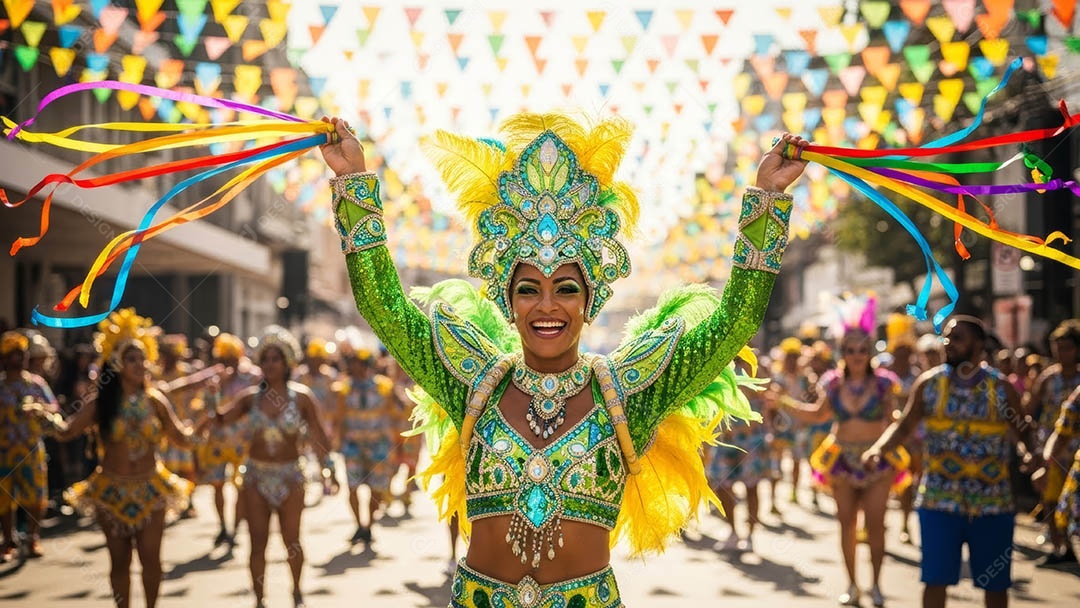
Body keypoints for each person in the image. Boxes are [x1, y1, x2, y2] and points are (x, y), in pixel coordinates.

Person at [320, 113, 807, 606]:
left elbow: (735, 322)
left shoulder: (628, 392)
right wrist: (352, 183)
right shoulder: (473, 382)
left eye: (566, 289)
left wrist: (768, 199)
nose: (547, 306)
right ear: (509, 302)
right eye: (529, 289)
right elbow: (384, 307)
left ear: (589, 302)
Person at [863, 316, 1039, 608]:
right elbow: (904, 425)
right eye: (946, 337)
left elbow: (1024, 431)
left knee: (994, 584)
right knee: (935, 580)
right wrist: (878, 449)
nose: (948, 344)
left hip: (992, 504)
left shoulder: (1001, 387)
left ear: (979, 345)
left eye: (957, 338)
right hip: (937, 503)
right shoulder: (929, 384)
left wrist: (1034, 458)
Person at [40, 310, 197, 608]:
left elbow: (182, 438)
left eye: (142, 358)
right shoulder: (101, 403)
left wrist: (207, 422)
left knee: (151, 559)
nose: (140, 365)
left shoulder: (156, 399)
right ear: (117, 364)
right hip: (111, 491)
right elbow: (66, 431)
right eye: (131, 359)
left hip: (152, 489)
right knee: (120, 562)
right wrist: (43, 417)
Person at [777, 324, 907, 607]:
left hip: (877, 461)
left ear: (870, 352)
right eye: (851, 350)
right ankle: (851, 584)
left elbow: (893, 419)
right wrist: (783, 402)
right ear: (842, 353)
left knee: (875, 525)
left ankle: (875, 585)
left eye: (862, 349)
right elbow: (817, 414)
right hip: (841, 461)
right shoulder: (833, 383)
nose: (857, 355)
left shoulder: (885, 383)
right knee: (846, 524)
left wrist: (907, 424)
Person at [208, 326, 336, 608]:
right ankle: (259, 599)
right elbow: (220, 420)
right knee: (257, 542)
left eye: (275, 359)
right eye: (265, 359)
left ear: (287, 362)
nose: (269, 365)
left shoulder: (302, 397)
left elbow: (319, 436)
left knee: (292, 540)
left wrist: (330, 468)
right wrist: (212, 395)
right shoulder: (248, 398)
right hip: (255, 477)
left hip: (291, 476)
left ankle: (297, 593)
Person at [1024, 319, 1080, 564]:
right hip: (1052, 447)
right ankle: (1061, 547)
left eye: (1067, 347)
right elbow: (1029, 409)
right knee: (1050, 497)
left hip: (1075, 452)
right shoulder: (1047, 378)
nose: (1061, 352)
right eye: (1057, 347)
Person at [0, 331, 59, 561]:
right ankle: (8, 540)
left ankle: (32, 537)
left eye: (22, 354)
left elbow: (53, 407)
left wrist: (40, 409)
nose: (21, 358)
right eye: (15, 354)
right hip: (3, 452)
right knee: (4, 498)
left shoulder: (36, 383)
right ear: (5, 359)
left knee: (36, 496)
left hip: (31, 450)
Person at [198, 333, 261, 547]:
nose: (227, 364)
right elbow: (209, 409)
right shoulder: (214, 379)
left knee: (240, 486)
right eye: (223, 360)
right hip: (217, 439)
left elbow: (258, 404)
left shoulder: (252, 376)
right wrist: (216, 390)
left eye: (231, 359)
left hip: (244, 439)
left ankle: (234, 528)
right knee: (217, 485)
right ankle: (223, 526)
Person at [335, 338, 395, 546]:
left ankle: (369, 524)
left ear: (365, 364)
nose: (352, 366)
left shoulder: (383, 387)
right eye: (350, 362)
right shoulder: (343, 388)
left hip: (378, 446)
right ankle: (359, 525)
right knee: (351, 487)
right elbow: (340, 417)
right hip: (352, 446)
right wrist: (338, 442)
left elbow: (393, 412)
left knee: (376, 489)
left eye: (356, 362)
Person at [710, 359, 769, 553]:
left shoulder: (756, 365)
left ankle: (750, 535)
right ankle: (734, 532)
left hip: (750, 440)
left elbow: (767, 394)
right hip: (726, 439)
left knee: (751, 488)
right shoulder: (719, 361)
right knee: (722, 487)